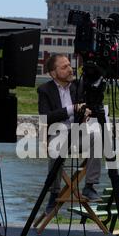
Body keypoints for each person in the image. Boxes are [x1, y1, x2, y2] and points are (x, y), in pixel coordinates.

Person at [38, 54, 102, 214]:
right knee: (55, 146)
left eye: (69, 65)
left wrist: (88, 111)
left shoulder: (79, 86)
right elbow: (45, 117)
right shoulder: (45, 90)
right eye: (64, 67)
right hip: (57, 134)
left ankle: (89, 186)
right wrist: (71, 109)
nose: (69, 69)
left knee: (99, 137)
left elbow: (91, 105)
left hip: (78, 134)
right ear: (53, 73)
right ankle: (54, 193)